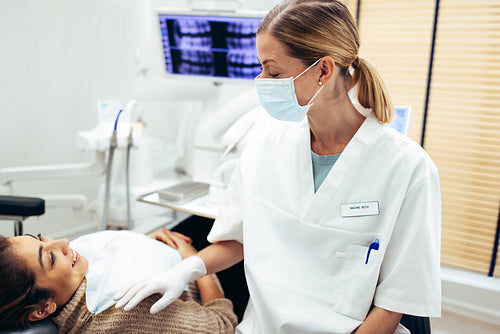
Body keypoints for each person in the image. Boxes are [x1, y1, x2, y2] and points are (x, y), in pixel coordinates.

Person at [114, 1, 441, 333]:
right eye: (261, 68)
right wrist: (184, 270)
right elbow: (237, 238)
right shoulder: (264, 141)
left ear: (323, 71)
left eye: (273, 71)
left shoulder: (407, 168)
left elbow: (397, 299)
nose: (262, 81)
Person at [0, 228, 237, 333]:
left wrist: (140, 243)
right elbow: (224, 325)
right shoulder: (126, 308)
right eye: (50, 257)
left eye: (41, 238)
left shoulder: (71, 276)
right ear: (43, 309)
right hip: (211, 289)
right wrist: (194, 261)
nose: (63, 242)